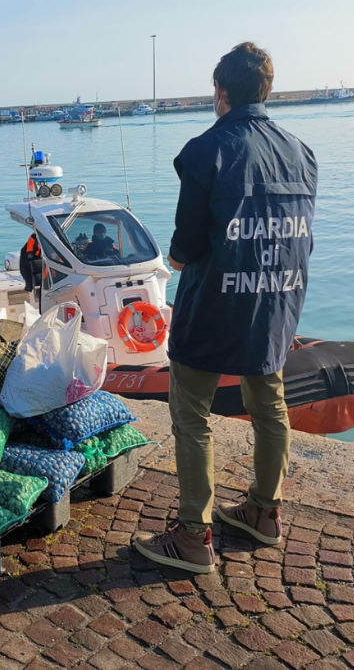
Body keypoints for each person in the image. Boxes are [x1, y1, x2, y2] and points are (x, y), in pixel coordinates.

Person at [134, 42, 317, 574]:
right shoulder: (302, 152)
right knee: (270, 405)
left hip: (215, 302)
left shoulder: (206, 150)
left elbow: (187, 244)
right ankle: (264, 511)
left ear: (220, 91)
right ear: (266, 89)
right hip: (277, 300)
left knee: (192, 414)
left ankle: (194, 536)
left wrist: (174, 258)